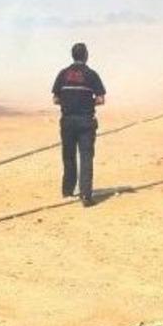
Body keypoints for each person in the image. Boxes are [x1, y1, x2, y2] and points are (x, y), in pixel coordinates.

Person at [51, 43, 106, 207]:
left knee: (68, 156)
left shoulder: (63, 73)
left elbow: (55, 99)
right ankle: (86, 196)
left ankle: (67, 191)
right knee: (86, 157)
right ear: (86, 55)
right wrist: (87, 103)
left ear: (72, 55)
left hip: (67, 121)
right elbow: (101, 99)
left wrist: (69, 101)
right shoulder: (91, 75)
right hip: (86, 121)